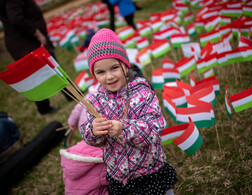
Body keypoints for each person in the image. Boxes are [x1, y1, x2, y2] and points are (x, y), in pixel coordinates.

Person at [80, 28, 177, 194]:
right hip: (119, 175)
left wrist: (123, 129)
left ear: (125, 65)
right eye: (101, 72)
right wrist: (93, 131)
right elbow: (93, 138)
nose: (109, 76)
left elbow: (155, 128)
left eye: (114, 68)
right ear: (94, 75)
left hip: (150, 172)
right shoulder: (95, 102)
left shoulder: (143, 93)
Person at [0, 0, 72, 115]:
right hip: (26, 41)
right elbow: (16, 18)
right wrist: (36, 33)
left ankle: (50, 105)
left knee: (43, 71)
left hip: (23, 41)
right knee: (45, 70)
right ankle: (66, 97)